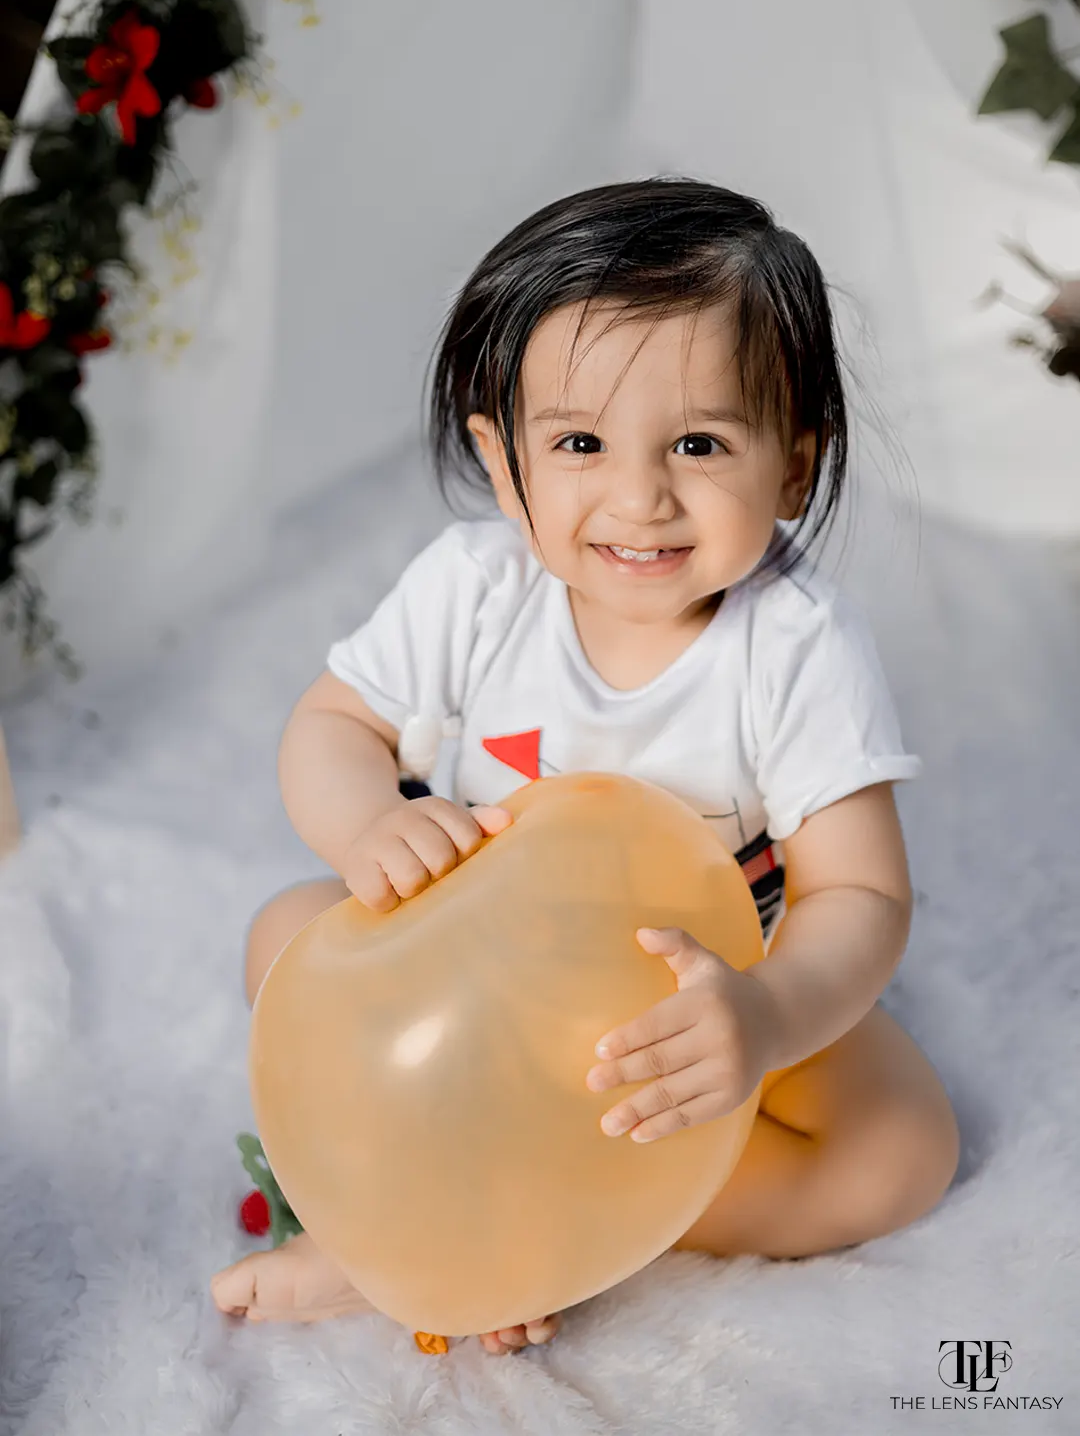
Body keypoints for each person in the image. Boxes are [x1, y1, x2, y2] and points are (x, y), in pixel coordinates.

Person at [211, 178, 960, 1355]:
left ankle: (548, 1216)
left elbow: (860, 894)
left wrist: (761, 1016)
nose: (640, 494)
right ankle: (399, 1225)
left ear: (796, 467)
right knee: (283, 934)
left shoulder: (799, 644)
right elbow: (330, 724)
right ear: (503, 465)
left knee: (904, 1150)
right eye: (578, 443)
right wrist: (366, 824)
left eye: (702, 442)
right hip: (479, 987)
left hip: (690, 1007)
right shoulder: (475, 588)